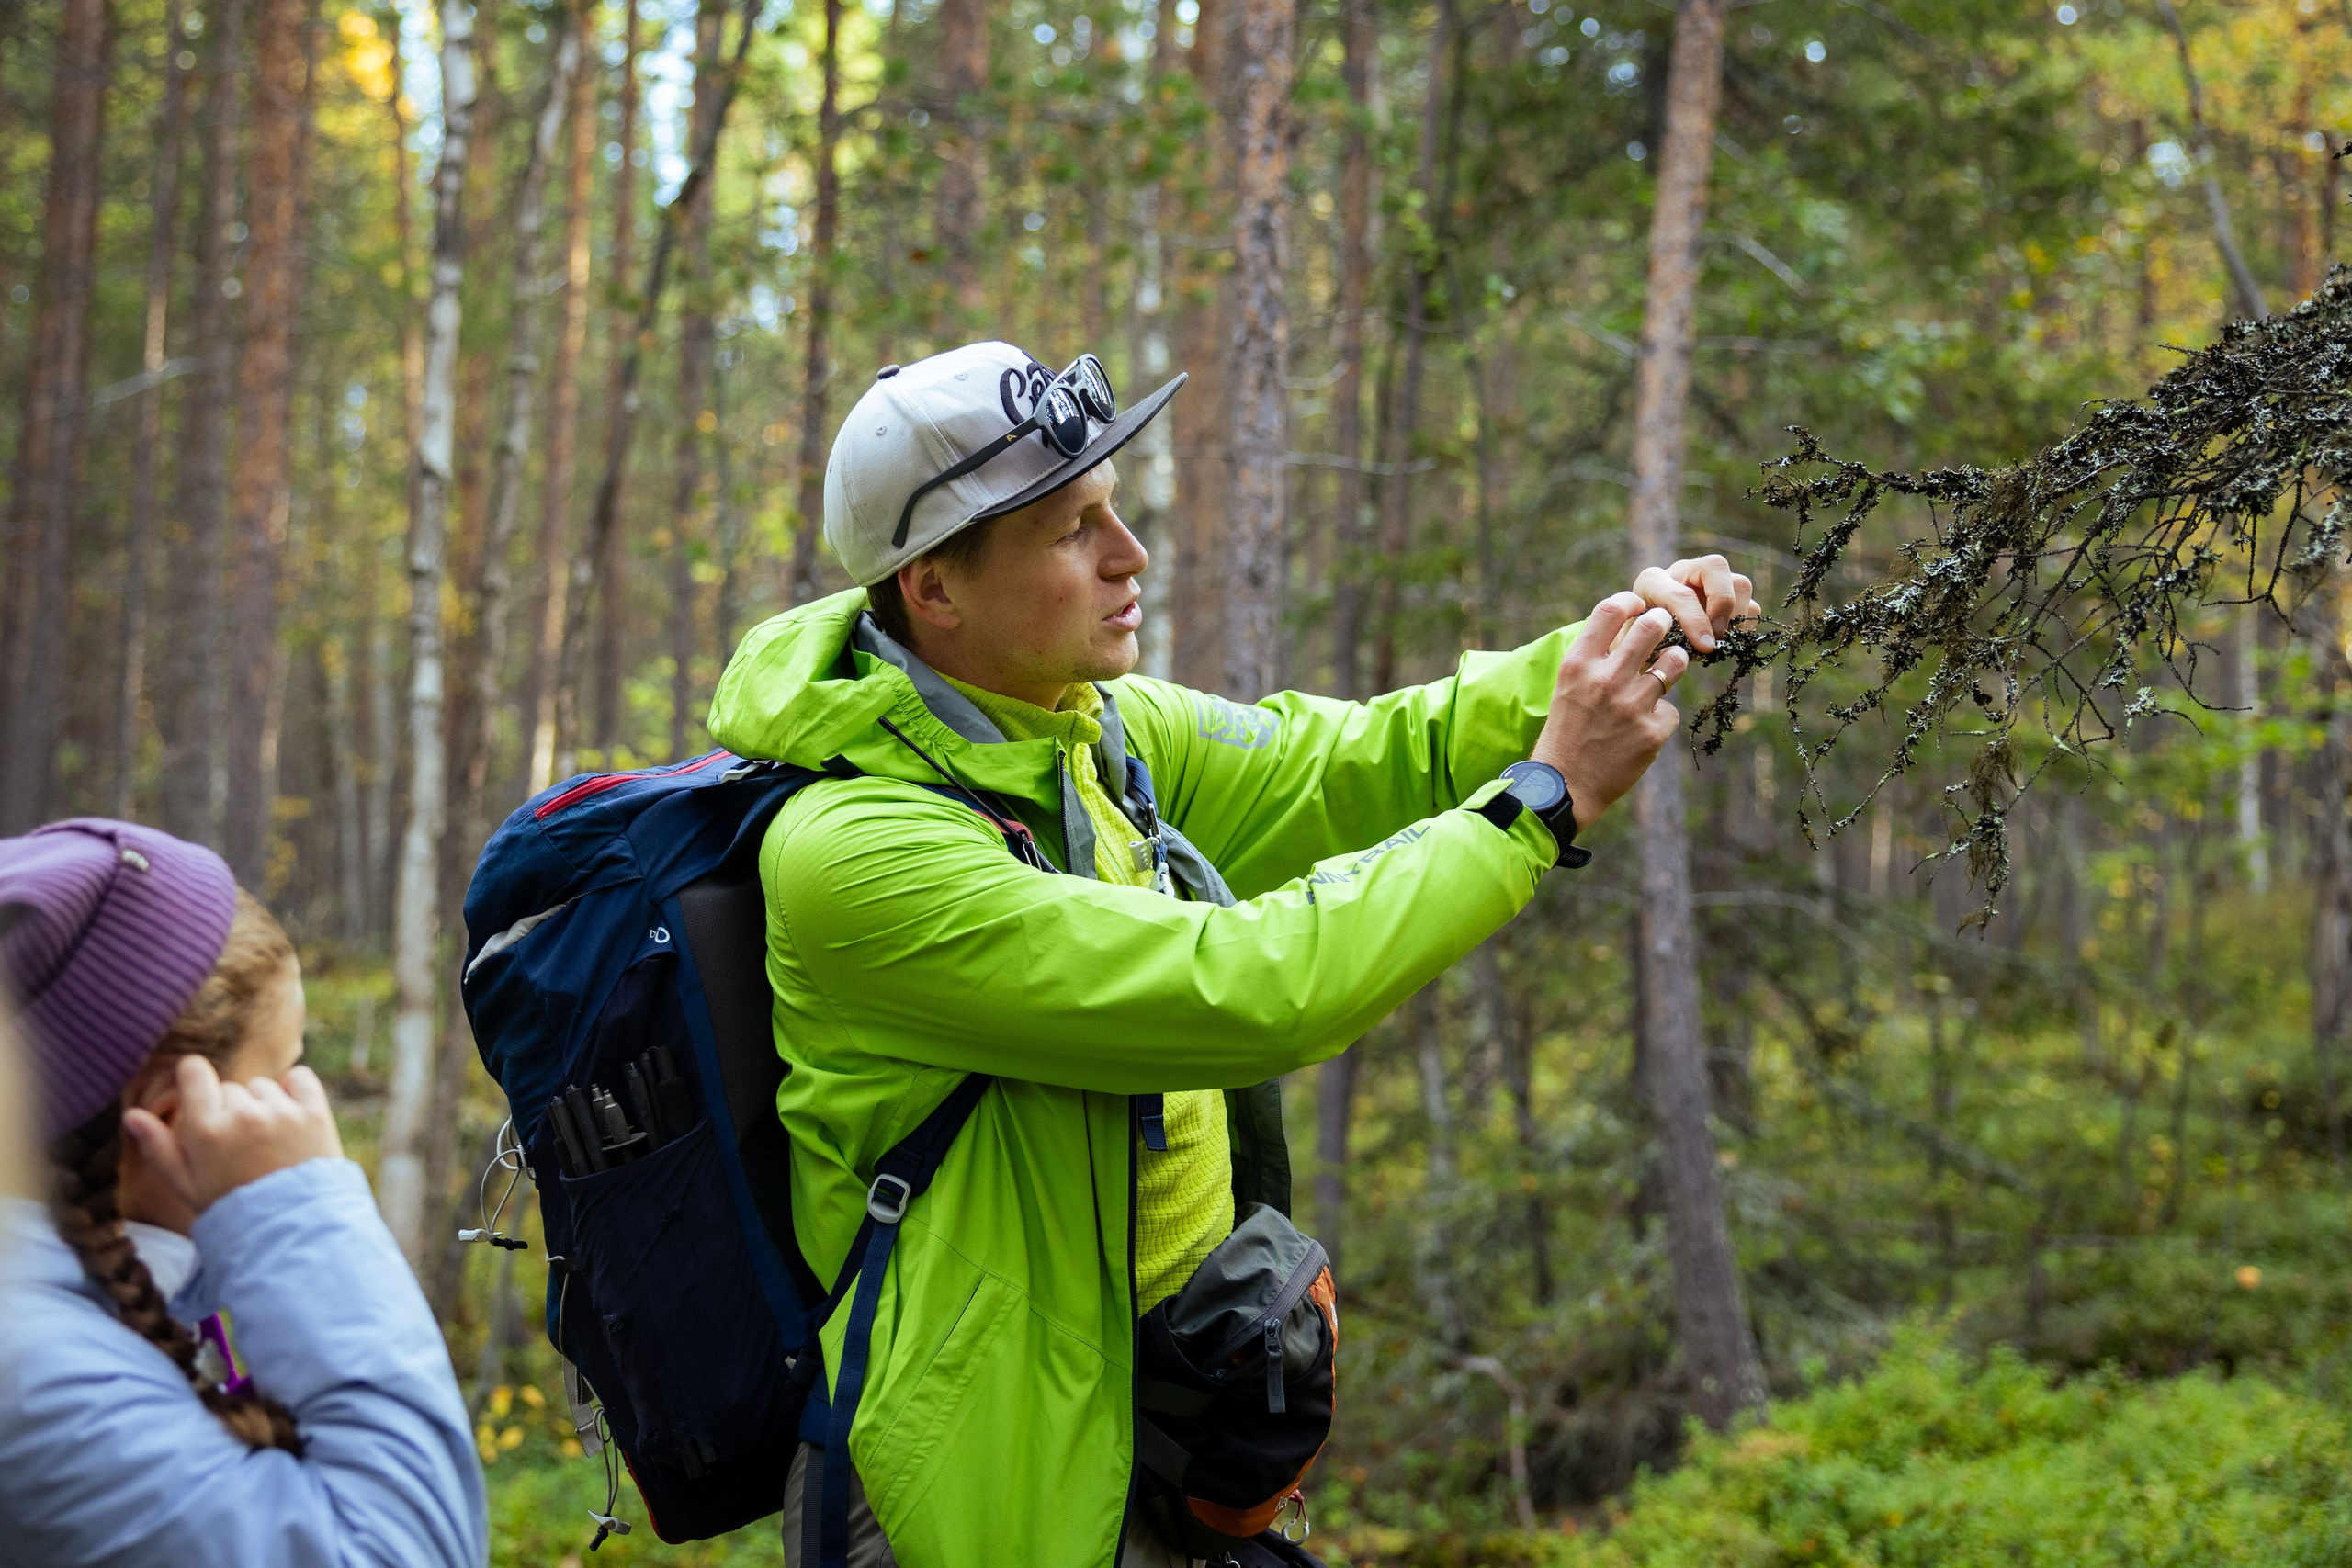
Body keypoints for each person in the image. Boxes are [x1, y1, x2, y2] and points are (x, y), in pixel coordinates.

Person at [706, 343, 1755, 1567]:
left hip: (1155, 1424)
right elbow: (1250, 985)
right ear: (935, 589)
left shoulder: (1091, 734)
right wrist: (1543, 799)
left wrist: (1596, 649)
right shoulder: (858, 851)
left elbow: (1362, 760)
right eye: (1070, 530)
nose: (1128, 554)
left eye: (1113, 509)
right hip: (982, 1488)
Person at [0, 818, 487, 1567]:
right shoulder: (41, 1386)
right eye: (284, 1067)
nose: (304, 1097)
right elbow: (411, 1549)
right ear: (169, 1113)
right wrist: (299, 1210)